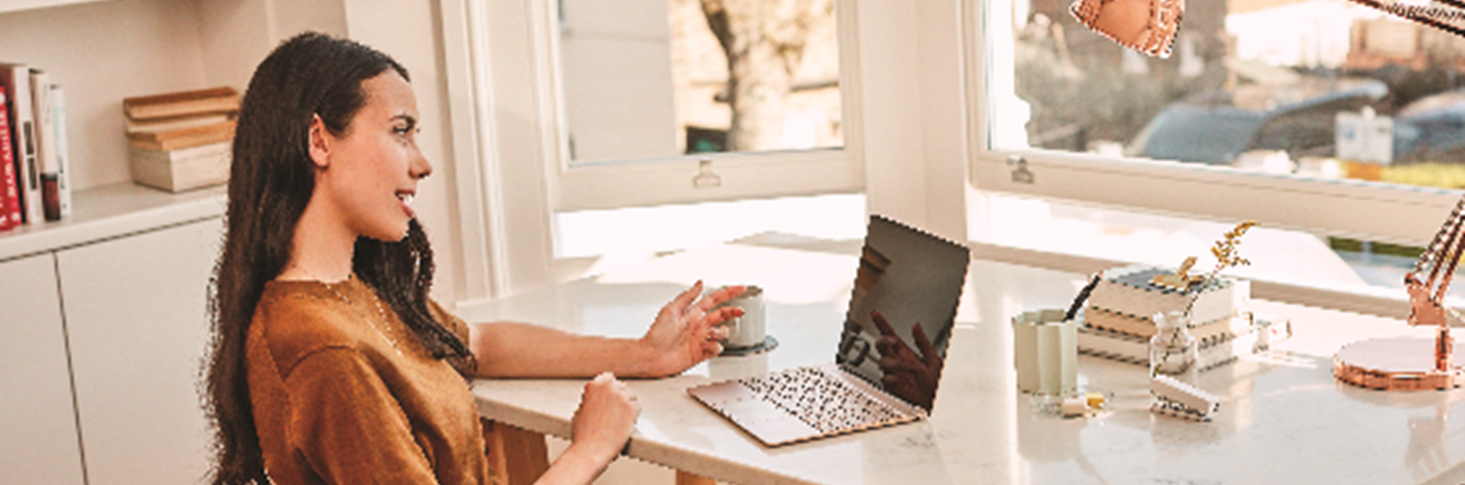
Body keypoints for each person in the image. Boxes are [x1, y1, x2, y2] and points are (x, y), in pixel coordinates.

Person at [203, 32, 744, 485]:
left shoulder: (353, 292)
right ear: (319, 141)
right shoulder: (323, 350)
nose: (423, 163)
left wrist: (643, 355)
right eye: (401, 132)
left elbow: (476, 343)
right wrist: (588, 450)